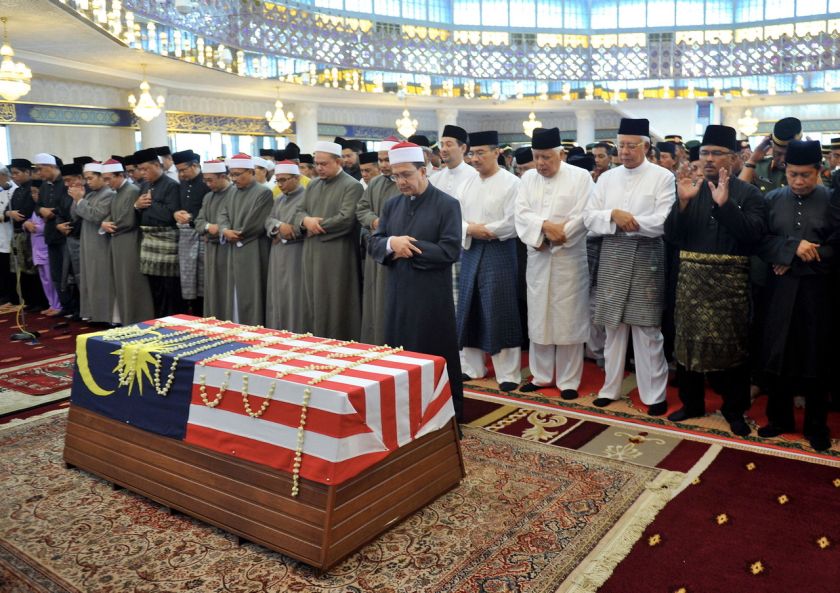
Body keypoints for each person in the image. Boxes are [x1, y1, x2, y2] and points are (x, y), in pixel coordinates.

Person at [665, 125, 767, 436]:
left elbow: (753, 237)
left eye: (717, 154)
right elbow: (672, 237)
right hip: (691, 284)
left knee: (734, 348)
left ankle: (734, 409)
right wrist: (682, 204)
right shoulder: (690, 189)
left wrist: (725, 206)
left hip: (730, 287)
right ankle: (692, 403)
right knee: (687, 345)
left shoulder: (750, 194)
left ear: (735, 159)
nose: (708, 159)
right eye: (704, 153)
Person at [584, 118, 675, 416]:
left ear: (646, 147)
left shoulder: (662, 176)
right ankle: (610, 388)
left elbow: (664, 221)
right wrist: (613, 215)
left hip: (646, 256)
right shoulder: (607, 178)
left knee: (647, 329)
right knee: (613, 327)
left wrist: (629, 222)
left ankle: (654, 394)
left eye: (631, 146)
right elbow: (589, 217)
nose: (624, 151)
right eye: (621, 145)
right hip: (613, 254)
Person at [367, 141, 464, 420]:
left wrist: (407, 248)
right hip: (398, 293)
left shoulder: (447, 205)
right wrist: (390, 244)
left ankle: (444, 417)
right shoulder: (391, 205)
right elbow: (374, 243)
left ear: (424, 171)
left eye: (407, 174)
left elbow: (450, 250)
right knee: (399, 355)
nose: (401, 181)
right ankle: (401, 416)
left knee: (433, 355)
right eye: (396, 176)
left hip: (432, 296)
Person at [755, 140, 839, 451]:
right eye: (793, 175)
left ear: (820, 172)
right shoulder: (773, 198)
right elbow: (761, 239)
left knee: (815, 357)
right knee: (779, 353)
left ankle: (816, 426)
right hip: (780, 291)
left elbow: (835, 246)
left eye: (805, 175)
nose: (799, 182)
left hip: (818, 291)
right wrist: (789, 249)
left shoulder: (833, 200)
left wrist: (793, 257)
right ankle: (779, 419)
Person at [514, 127, 593, 399]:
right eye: (536, 157)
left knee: (569, 319)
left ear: (561, 154)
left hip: (569, 258)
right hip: (538, 256)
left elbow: (584, 214)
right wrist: (546, 227)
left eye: (546, 157)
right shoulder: (527, 180)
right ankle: (542, 376)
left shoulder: (581, 177)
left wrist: (563, 234)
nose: (540, 164)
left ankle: (569, 381)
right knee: (539, 318)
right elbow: (521, 214)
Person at [456, 130, 522, 391]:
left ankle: (508, 374)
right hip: (471, 248)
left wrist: (488, 230)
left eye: (481, 153)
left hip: (499, 250)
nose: (475, 158)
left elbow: (513, 221)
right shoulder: (467, 184)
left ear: (497, 153)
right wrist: (470, 230)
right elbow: (455, 217)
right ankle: (472, 368)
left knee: (500, 308)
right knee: (469, 307)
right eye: (472, 153)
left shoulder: (512, 183)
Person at [292, 141, 364, 340]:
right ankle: (314, 341)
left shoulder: (352, 186)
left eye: (324, 163)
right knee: (312, 299)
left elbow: (346, 218)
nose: (319, 168)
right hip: (311, 251)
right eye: (317, 164)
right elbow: (299, 211)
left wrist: (315, 226)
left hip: (337, 253)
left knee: (335, 301)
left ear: (338, 161)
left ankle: (338, 344)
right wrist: (306, 220)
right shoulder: (313, 184)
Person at [218, 153, 274, 326]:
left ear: (250, 172)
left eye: (237, 174)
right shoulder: (232, 192)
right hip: (233, 246)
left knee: (252, 291)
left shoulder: (263, 192)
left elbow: (256, 221)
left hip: (253, 248)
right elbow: (223, 214)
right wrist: (224, 230)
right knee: (233, 292)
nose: (233, 179)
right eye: (231, 174)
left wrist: (237, 234)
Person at [100, 159, 154, 325]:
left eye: (109, 179)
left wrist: (111, 225)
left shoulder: (131, 191)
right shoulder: (118, 193)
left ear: (120, 175)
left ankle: (137, 318)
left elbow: (129, 220)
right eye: (105, 179)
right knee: (121, 282)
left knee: (131, 281)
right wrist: (104, 223)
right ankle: (126, 318)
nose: (106, 183)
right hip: (118, 243)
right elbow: (112, 215)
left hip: (130, 243)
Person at [357, 137, 399, 344]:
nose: (383, 164)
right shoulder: (374, 183)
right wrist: (374, 222)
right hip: (376, 249)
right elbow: (361, 209)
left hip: (397, 252)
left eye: (387, 160)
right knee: (375, 302)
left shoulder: (405, 183)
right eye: (381, 160)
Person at [133, 147, 183, 318]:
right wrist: (137, 206)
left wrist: (149, 204)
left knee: (169, 289)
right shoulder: (144, 186)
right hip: (149, 242)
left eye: (145, 169)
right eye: (140, 169)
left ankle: (174, 323)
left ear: (157, 165)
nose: (142, 173)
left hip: (166, 243)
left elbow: (169, 215)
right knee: (155, 288)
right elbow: (139, 213)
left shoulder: (171, 185)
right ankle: (159, 320)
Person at [72, 162, 117, 324]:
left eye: (91, 178)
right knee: (89, 279)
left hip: (100, 243)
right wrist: (77, 198)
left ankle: (105, 316)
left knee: (101, 279)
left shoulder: (108, 194)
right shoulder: (90, 195)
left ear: (101, 177)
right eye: (86, 179)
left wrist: (80, 201)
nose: (88, 182)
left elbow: (96, 215)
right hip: (88, 241)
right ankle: (93, 313)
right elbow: (75, 215)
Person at [265, 161, 307, 331]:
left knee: (294, 296)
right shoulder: (279, 199)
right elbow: (268, 220)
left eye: (284, 180)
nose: (280, 185)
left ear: (296, 178)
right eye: (277, 181)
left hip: (296, 253)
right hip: (278, 253)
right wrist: (278, 226)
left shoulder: (307, 196)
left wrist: (290, 228)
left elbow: (302, 224)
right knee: (278, 296)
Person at [193, 160, 235, 320]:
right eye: (205, 180)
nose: (207, 184)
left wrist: (217, 229)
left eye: (210, 180)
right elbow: (198, 222)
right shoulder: (208, 197)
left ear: (223, 176)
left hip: (228, 250)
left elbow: (229, 225)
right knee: (213, 290)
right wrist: (209, 227)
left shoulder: (234, 194)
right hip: (211, 250)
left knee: (226, 290)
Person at [173, 149, 210, 316]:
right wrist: (176, 214)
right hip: (186, 237)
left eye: (183, 170)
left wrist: (193, 217)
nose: (181, 174)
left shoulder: (207, 183)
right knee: (189, 283)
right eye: (178, 171)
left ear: (195, 165)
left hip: (203, 236)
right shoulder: (182, 184)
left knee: (203, 282)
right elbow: (176, 207)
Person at [23, 181, 61, 314]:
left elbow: (48, 226)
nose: (34, 195)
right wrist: (26, 224)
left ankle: (57, 305)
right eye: (32, 192)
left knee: (51, 278)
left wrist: (33, 226)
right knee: (44, 279)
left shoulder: (48, 208)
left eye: (36, 192)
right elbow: (28, 222)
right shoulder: (36, 209)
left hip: (46, 247)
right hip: (36, 249)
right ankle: (51, 304)